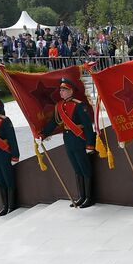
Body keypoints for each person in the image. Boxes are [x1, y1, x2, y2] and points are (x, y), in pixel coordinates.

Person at [43, 78, 96, 207]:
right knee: (77, 169)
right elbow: (54, 123)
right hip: (68, 140)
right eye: (60, 90)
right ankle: (81, 196)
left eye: (64, 90)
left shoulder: (79, 105)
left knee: (85, 169)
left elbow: (88, 127)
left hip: (80, 140)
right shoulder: (59, 106)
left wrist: (90, 144)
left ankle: (89, 198)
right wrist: (43, 134)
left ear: (71, 91)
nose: (61, 92)